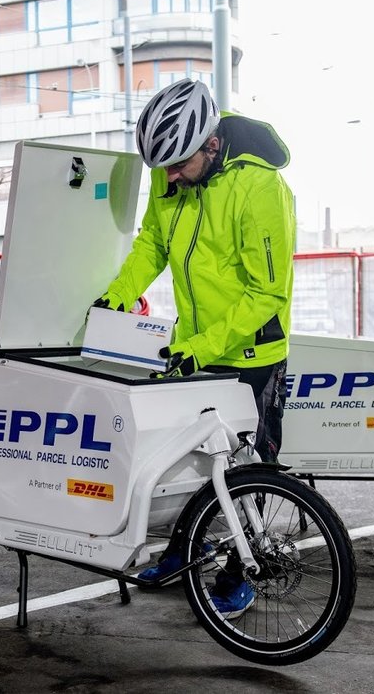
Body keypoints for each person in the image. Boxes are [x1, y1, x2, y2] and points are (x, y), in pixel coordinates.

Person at [92, 78, 296, 618]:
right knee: (188, 461)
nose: (170, 177)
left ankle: (243, 569)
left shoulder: (261, 188)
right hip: (195, 351)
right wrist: (114, 297)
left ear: (210, 144)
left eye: (179, 165)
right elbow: (152, 245)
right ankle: (189, 547)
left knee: (248, 469)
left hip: (251, 356)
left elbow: (267, 292)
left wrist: (202, 346)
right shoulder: (173, 174)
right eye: (163, 168)